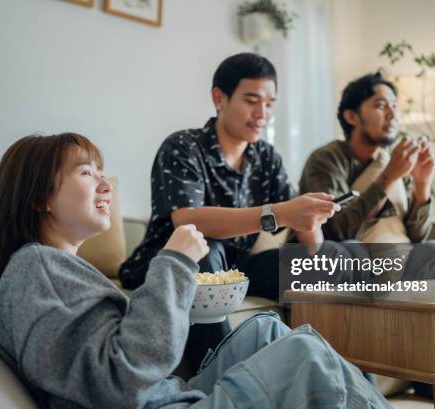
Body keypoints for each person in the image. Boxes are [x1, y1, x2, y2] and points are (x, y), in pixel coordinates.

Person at [0, 133, 392, 409]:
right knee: (304, 357)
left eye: (102, 173)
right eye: (86, 173)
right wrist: (174, 262)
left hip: (173, 394)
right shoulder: (36, 267)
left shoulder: (56, 269)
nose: (106, 186)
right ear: (40, 198)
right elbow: (122, 379)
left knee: (267, 330)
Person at [119, 53, 339, 372]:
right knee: (207, 249)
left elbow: (308, 245)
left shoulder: (265, 157)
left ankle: (334, 370)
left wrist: (309, 218)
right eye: (252, 100)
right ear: (219, 98)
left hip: (236, 268)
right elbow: (187, 219)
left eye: (269, 103)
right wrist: (278, 212)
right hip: (171, 261)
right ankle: (222, 381)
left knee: (328, 260)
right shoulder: (183, 146)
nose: (262, 113)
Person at [297, 72, 435, 409]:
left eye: (395, 106)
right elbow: (335, 232)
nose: (393, 114)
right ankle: (360, 381)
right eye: (381, 105)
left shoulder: (397, 161)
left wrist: (422, 186)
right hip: (346, 262)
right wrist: (388, 177)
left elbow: (416, 237)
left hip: (391, 262)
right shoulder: (327, 160)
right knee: (352, 253)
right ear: (352, 116)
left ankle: (429, 376)